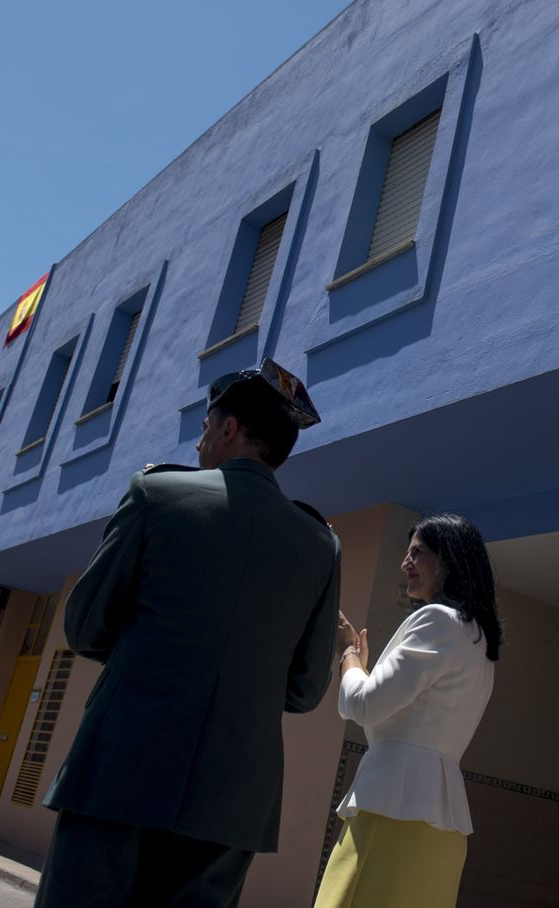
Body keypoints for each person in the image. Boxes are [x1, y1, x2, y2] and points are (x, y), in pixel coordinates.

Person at [35, 358, 340, 908]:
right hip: (233, 800)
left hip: (121, 770)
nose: (200, 443)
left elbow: (84, 627)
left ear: (227, 430)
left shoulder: (158, 496)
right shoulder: (320, 545)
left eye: (205, 428)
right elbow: (306, 689)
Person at [316, 513, 503, 908]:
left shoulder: (436, 620)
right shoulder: (479, 642)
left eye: (417, 554)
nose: (405, 564)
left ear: (449, 562)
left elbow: (362, 704)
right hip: (439, 824)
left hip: (391, 810)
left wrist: (349, 654)